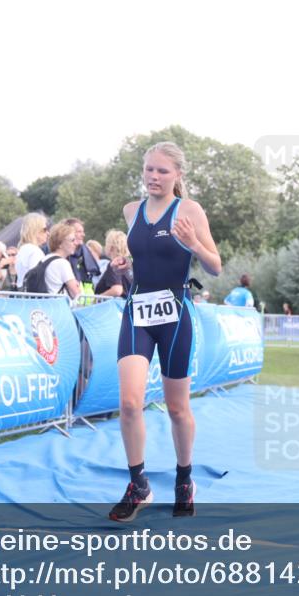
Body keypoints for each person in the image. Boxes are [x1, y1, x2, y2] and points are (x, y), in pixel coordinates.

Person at [110, 141, 221, 522]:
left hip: (175, 315)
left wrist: (192, 244)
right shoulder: (131, 211)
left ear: (178, 176)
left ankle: (184, 480)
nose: (154, 177)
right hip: (138, 311)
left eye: (162, 171)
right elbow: (146, 255)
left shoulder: (189, 210)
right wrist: (127, 261)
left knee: (177, 408)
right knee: (128, 403)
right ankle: (138, 484)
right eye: (149, 170)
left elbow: (216, 266)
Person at [39, 223, 82, 298]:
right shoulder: (62, 263)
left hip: (46, 304)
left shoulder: (44, 259)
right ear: (60, 244)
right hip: (59, 305)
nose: (75, 243)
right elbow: (77, 293)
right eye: (72, 240)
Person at [15, 212, 48, 289]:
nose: (47, 233)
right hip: (32, 297)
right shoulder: (34, 251)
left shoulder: (23, 249)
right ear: (35, 230)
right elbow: (36, 279)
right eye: (44, 229)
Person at [95, 230, 133, 297]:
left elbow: (117, 290)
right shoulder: (130, 265)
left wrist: (96, 299)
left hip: (117, 306)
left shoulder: (114, 264)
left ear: (111, 247)